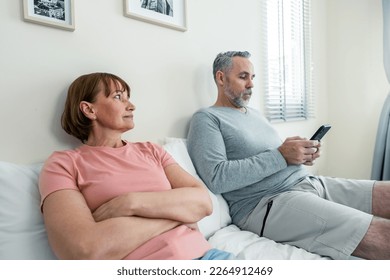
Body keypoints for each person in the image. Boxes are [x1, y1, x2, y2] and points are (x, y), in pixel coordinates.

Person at [187, 51, 390, 260]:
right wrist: (282, 155)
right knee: (382, 233)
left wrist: (300, 155)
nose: (251, 84)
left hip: (308, 182)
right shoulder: (207, 118)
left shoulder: (255, 115)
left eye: (252, 77)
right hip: (267, 202)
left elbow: (277, 156)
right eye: (243, 76)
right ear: (221, 78)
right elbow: (217, 178)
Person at [39, 72, 234, 260]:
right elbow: (83, 250)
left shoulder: (151, 150)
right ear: (89, 110)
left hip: (210, 257)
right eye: (118, 97)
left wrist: (129, 203)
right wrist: (179, 214)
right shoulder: (63, 164)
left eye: (128, 98)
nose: (131, 106)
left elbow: (203, 203)